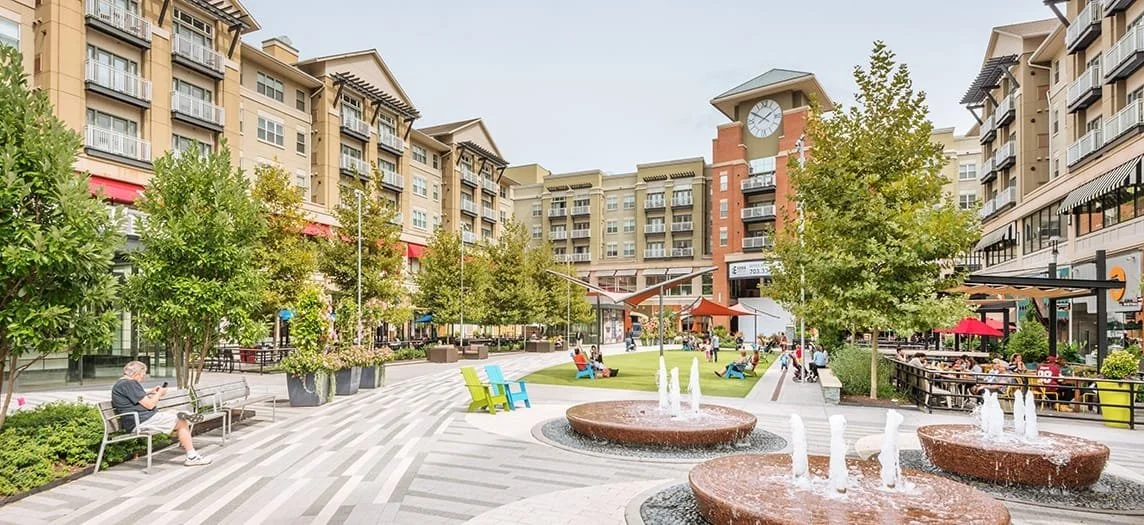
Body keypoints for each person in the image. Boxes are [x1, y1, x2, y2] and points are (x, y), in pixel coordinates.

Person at [111, 361, 211, 467]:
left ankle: (185, 420)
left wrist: (149, 392)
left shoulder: (123, 383)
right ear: (136, 373)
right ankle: (192, 457)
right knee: (181, 421)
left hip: (141, 418)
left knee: (175, 414)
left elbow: (133, 398)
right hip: (140, 421)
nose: (143, 378)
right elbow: (149, 405)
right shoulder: (129, 383)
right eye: (143, 375)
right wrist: (159, 393)